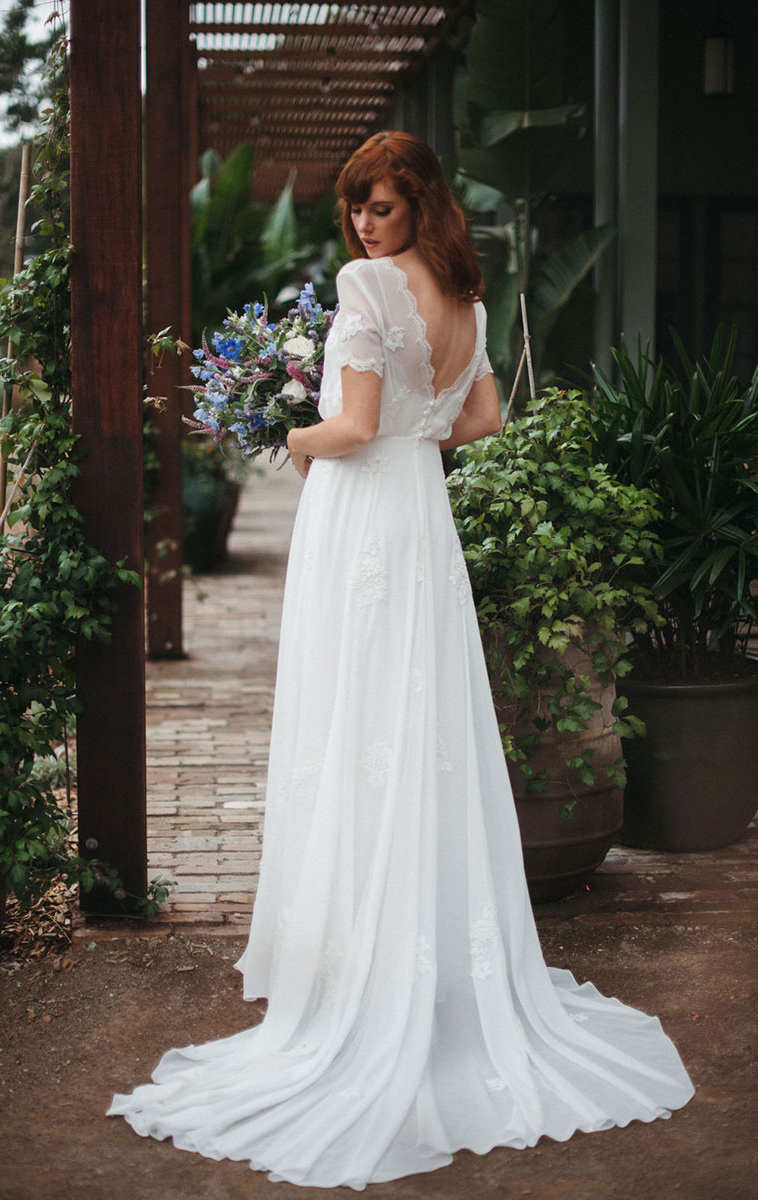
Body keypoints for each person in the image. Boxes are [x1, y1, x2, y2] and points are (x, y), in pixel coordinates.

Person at [108, 131, 694, 1188]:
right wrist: (409, 436)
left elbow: (354, 424)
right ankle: (417, 951)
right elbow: (483, 420)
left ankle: (364, 968)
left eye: (379, 206)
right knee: (412, 723)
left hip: (363, 518)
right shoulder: (466, 304)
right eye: (355, 208)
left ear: (416, 205)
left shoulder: (366, 285)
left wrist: (281, 433)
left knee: (358, 717)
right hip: (416, 523)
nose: (362, 224)